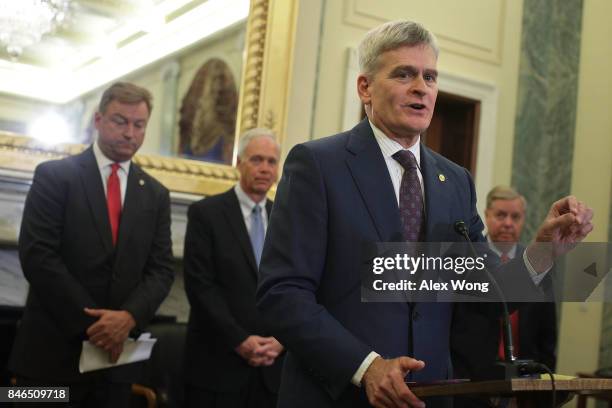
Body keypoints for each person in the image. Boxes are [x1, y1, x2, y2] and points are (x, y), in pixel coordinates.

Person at [256, 20, 593, 408]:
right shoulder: (318, 165)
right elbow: (283, 295)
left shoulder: (456, 182)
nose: (421, 87)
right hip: (337, 396)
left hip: (432, 396)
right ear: (365, 87)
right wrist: (366, 367)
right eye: (404, 74)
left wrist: (544, 250)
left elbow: (485, 295)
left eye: (430, 76)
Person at [9, 82, 174, 407]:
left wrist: (127, 317)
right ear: (98, 120)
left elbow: (162, 270)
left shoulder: (155, 194)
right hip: (49, 360)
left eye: (138, 125)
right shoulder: (55, 176)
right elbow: (38, 256)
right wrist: (98, 326)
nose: (129, 132)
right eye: (119, 121)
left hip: (114, 368)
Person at [183, 128, 285, 408]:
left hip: (273, 368)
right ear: (239, 163)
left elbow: (298, 287)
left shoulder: (286, 219)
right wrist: (240, 340)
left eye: (272, 162)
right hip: (218, 365)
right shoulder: (206, 214)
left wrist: (282, 339)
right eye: (257, 160)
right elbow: (200, 286)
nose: (265, 168)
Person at [452, 186, 557, 407]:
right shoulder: (468, 259)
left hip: (525, 386)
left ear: (523, 220)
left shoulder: (537, 265)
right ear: (487, 215)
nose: (508, 223)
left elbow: (547, 336)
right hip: (472, 385)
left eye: (515, 217)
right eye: (501, 215)